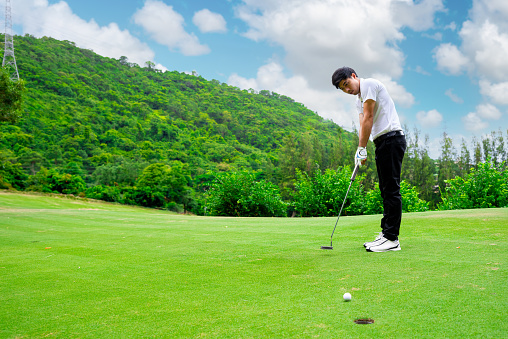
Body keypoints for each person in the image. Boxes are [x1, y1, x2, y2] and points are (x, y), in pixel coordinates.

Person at [331, 67, 407, 252]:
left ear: (354, 76)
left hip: (391, 138)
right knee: (385, 189)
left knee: (391, 189)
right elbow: (362, 123)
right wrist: (361, 151)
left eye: (347, 84)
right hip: (381, 142)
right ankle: (386, 233)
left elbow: (369, 118)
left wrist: (361, 147)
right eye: (343, 89)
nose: (347, 90)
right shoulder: (359, 100)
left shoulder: (370, 85)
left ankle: (392, 239)